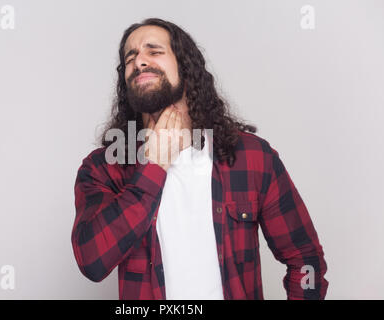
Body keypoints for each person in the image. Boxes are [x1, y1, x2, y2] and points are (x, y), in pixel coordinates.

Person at [71, 18, 328, 300]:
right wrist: (153, 166)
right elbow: (92, 261)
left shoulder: (252, 156)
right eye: (130, 57)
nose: (139, 61)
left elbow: (305, 258)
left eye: (153, 51)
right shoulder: (104, 167)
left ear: (185, 66)